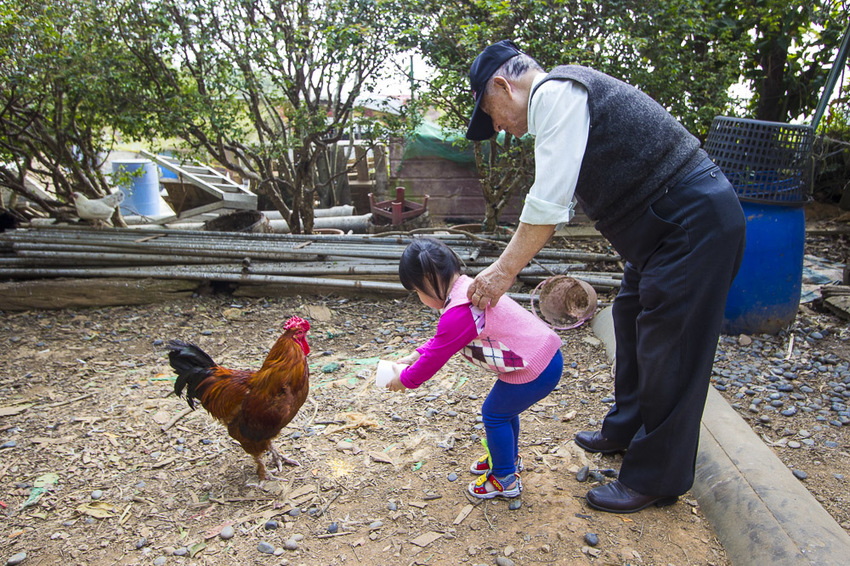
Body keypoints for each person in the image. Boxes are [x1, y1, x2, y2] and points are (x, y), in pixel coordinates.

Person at [464, 40, 747, 513]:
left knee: (671, 351)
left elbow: (548, 203)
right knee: (632, 322)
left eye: (491, 114)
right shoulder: (561, 98)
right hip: (662, 233)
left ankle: (657, 477)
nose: (499, 128)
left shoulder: (555, 93)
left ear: (502, 84)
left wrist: (500, 273)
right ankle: (626, 429)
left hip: (691, 224)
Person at [386, 237, 564, 499]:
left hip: (536, 367)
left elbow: (437, 356)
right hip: (543, 357)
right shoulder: (467, 289)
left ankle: (504, 478)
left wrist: (406, 379)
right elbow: (441, 343)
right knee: (504, 411)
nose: (420, 298)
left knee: (494, 414)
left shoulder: (459, 312)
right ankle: (506, 459)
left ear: (428, 279)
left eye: (417, 292)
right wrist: (415, 355)